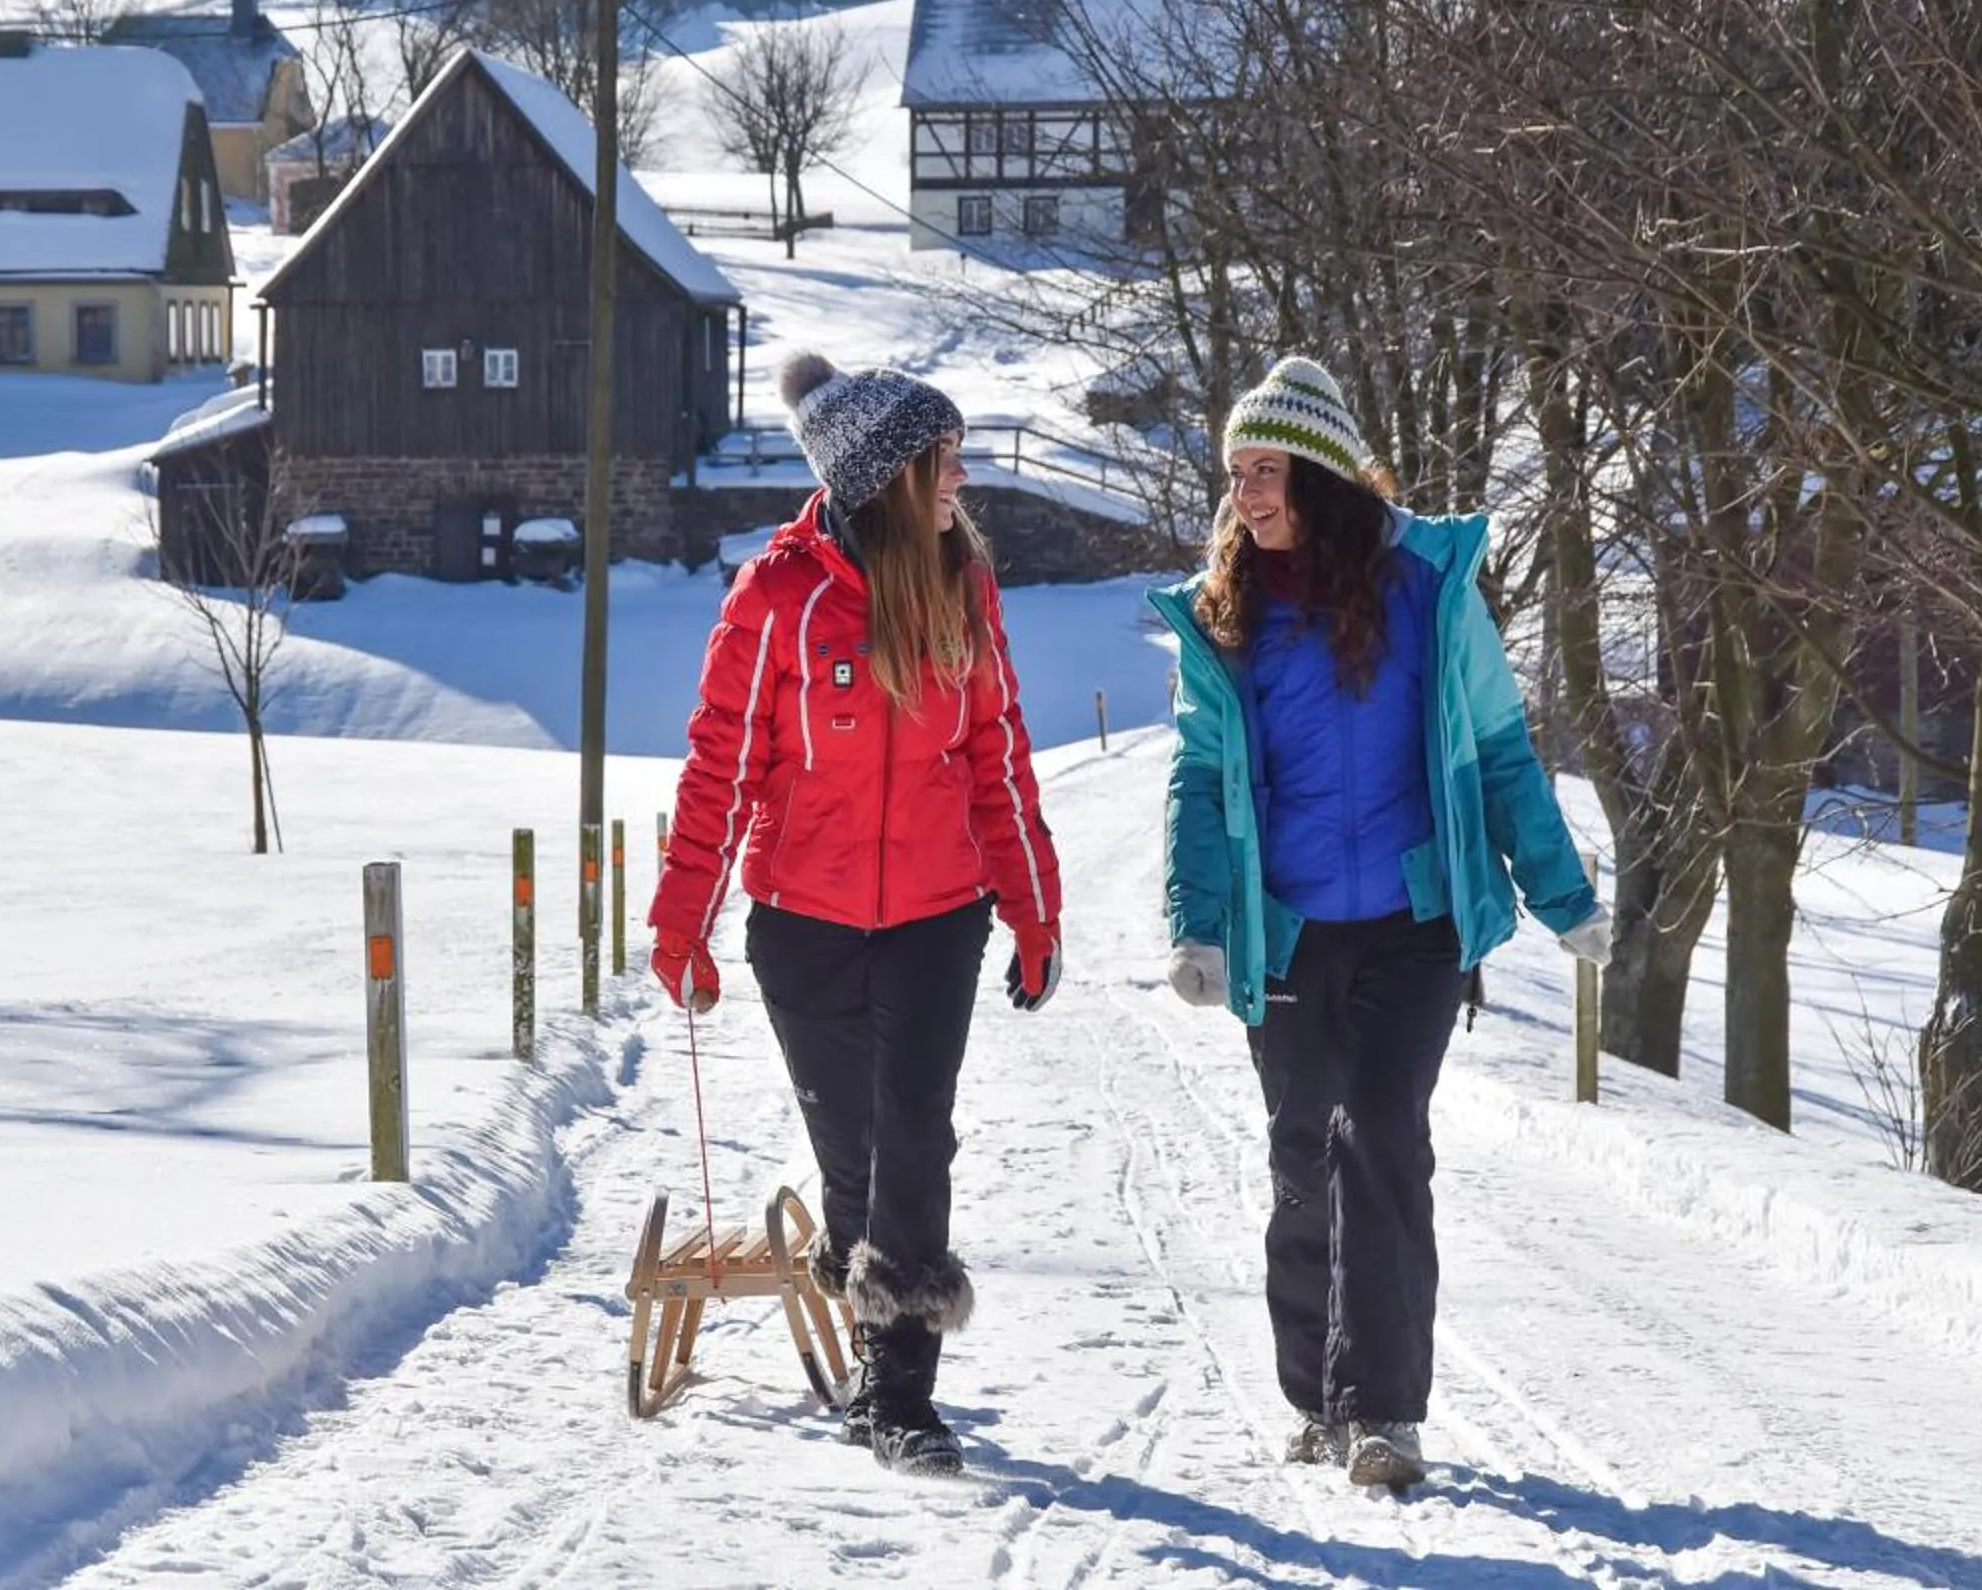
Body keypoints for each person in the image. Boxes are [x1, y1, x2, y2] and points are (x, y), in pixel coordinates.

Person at [1148, 356, 1610, 1490]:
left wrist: (1563, 893)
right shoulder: (1228, 615)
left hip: (1415, 918)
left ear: (1322, 475)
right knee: (1305, 1146)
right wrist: (1198, 922)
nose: (1246, 494)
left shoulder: (1426, 594)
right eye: (1237, 473)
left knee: (1383, 1134)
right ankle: (1315, 1393)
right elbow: (1200, 779)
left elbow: (1499, 746)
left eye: (1267, 470)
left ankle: (1385, 1411)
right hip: (1290, 926)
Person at [649, 352, 1063, 1478]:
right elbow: (719, 767)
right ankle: (858, 1269)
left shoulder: (962, 584)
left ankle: (899, 1395)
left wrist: (1034, 910)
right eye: (943, 457)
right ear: (888, 473)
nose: (960, 475)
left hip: (939, 914)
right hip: (806, 923)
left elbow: (999, 755)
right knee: (855, 1154)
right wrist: (680, 921)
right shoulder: (779, 595)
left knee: (914, 1135)